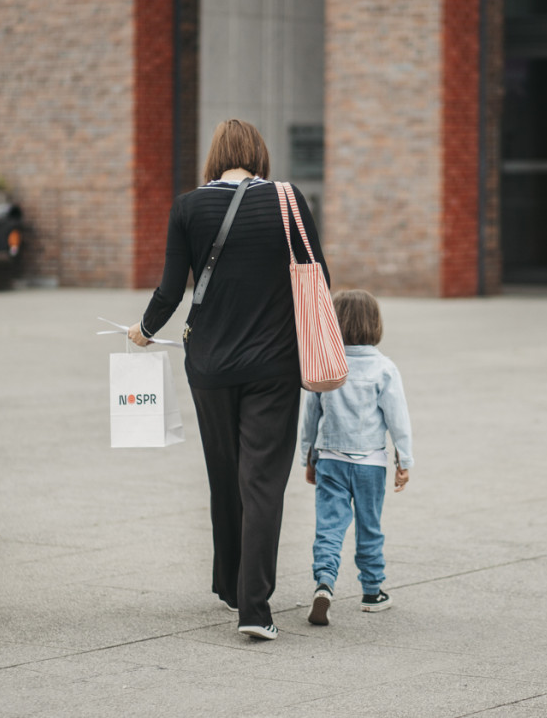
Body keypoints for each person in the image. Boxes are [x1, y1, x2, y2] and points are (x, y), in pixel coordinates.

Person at [127, 119, 329, 641]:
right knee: (261, 482)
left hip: (211, 367)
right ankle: (254, 609)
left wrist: (144, 329)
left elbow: (172, 287)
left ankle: (229, 584)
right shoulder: (287, 199)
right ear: (258, 154)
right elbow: (318, 278)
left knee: (225, 475)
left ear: (216, 157)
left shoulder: (188, 207)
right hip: (275, 367)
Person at [299, 289, 413, 626]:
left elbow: (311, 415)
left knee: (329, 527)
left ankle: (324, 582)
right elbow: (398, 418)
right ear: (375, 325)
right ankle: (372, 591)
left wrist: (308, 456)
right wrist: (404, 460)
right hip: (370, 464)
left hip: (330, 460)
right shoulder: (384, 368)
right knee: (369, 526)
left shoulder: (327, 365)